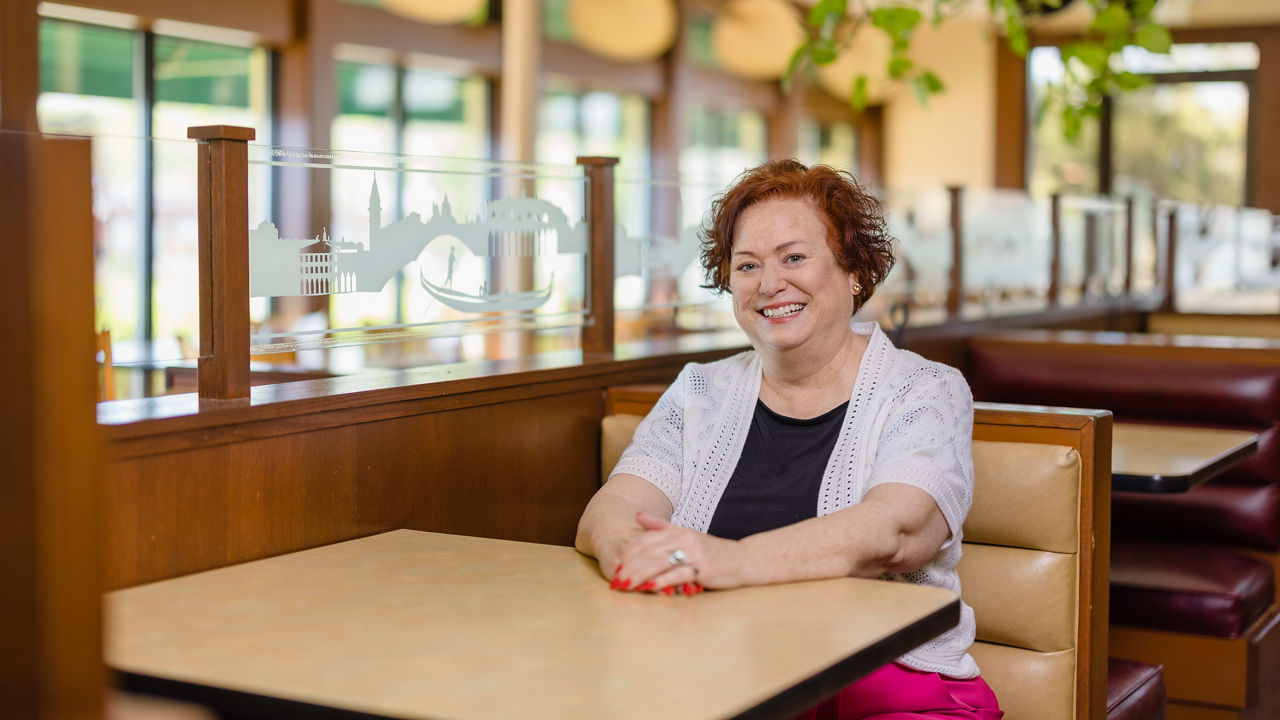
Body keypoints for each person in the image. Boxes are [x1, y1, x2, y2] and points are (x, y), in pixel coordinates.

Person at [575, 160, 1002, 719]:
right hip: (723, 681)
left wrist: (729, 561)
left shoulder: (925, 390)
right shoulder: (699, 392)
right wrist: (637, 557)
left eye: (794, 257)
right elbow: (608, 512)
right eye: (747, 264)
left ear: (853, 270)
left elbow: (897, 531)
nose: (769, 284)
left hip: (885, 688)